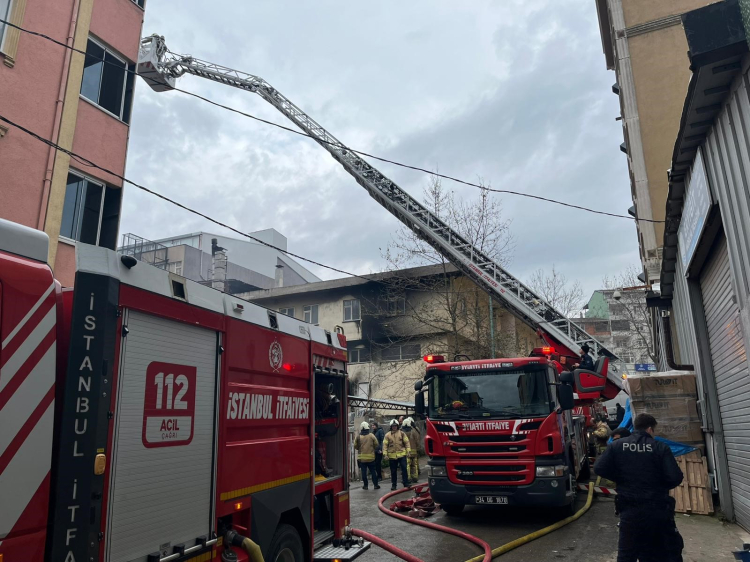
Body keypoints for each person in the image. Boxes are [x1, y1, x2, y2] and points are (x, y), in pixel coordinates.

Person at [594, 413, 684, 562]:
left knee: (626, 555)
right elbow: (675, 477)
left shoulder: (617, 445)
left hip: (629, 509)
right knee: (656, 552)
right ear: (650, 429)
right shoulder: (660, 447)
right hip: (656, 509)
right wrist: (659, 485)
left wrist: (620, 478)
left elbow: (599, 468)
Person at [383, 419, 411, 490]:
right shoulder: (387, 435)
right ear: (391, 427)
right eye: (393, 426)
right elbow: (385, 445)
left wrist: (408, 451)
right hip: (392, 456)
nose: (394, 427)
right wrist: (385, 454)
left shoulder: (402, 433)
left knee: (404, 469)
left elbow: (407, 443)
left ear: (397, 426)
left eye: (395, 426)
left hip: (402, 455)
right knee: (393, 471)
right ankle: (394, 485)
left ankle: (406, 483)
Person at [354, 422, 380, 490]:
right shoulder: (371, 435)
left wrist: (360, 448)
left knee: (363, 472)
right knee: (373, 471)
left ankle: (365, 486)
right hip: (371, 458)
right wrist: (372, 449)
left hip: (362, 459)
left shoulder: (358, 437)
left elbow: (355, 446)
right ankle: (375, 485)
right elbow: (376, 444)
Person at [402, 417, 421, 483]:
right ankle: (415, 477)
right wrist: (417, 448)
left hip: (406, 452)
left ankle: (408, 478)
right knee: (414, 465)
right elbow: (417, 441)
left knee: (407, 465)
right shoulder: (414, 431)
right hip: (414, 451)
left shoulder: (402, 432)